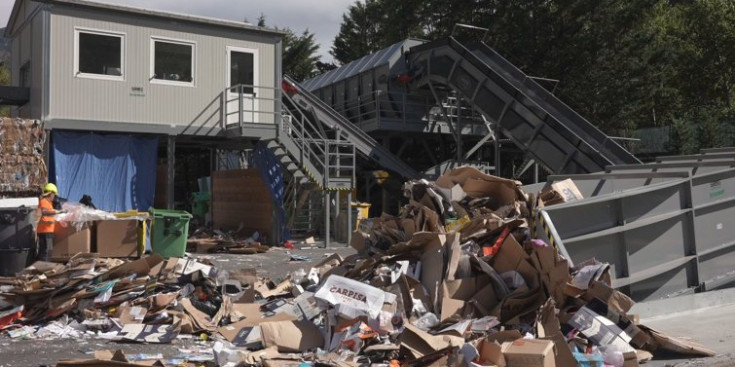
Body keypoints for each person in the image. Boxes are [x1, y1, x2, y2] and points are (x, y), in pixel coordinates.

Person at [37, 183, 64, 261]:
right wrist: (57, 211)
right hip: (44, 231)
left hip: (48, 231)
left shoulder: (50, 203)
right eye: (54, 194)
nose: (54, 196)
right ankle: (42, 268)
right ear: (51, 193)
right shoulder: (44, 201)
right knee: (45, 252)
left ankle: (43, 267)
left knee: (47, 251)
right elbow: (45, 212)